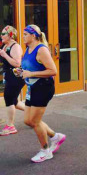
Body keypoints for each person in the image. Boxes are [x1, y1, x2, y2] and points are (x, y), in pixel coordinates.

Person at [18, 25, 66, 163]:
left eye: (25, 34)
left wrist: (31, 73)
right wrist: (21, 71)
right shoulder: (28, 48)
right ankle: (55, 136)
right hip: (32, 88)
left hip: (43, 88)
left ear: (33, 36)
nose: (23, 36)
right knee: (27, 120)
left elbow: (53, 71)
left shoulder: (42, 49)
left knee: (34, 121)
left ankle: (46, 151)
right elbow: (29, 66)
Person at [0, 26, 25, 136]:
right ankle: (32, 114)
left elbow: (17, 63)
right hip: (9, 75)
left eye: (3, 33)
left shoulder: (15, 46)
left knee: (9, 98)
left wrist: (4, 55)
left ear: (10, 35)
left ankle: (10, 126)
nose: (1, 35)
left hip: (16, 75)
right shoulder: (6, 45)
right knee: (13, 101)